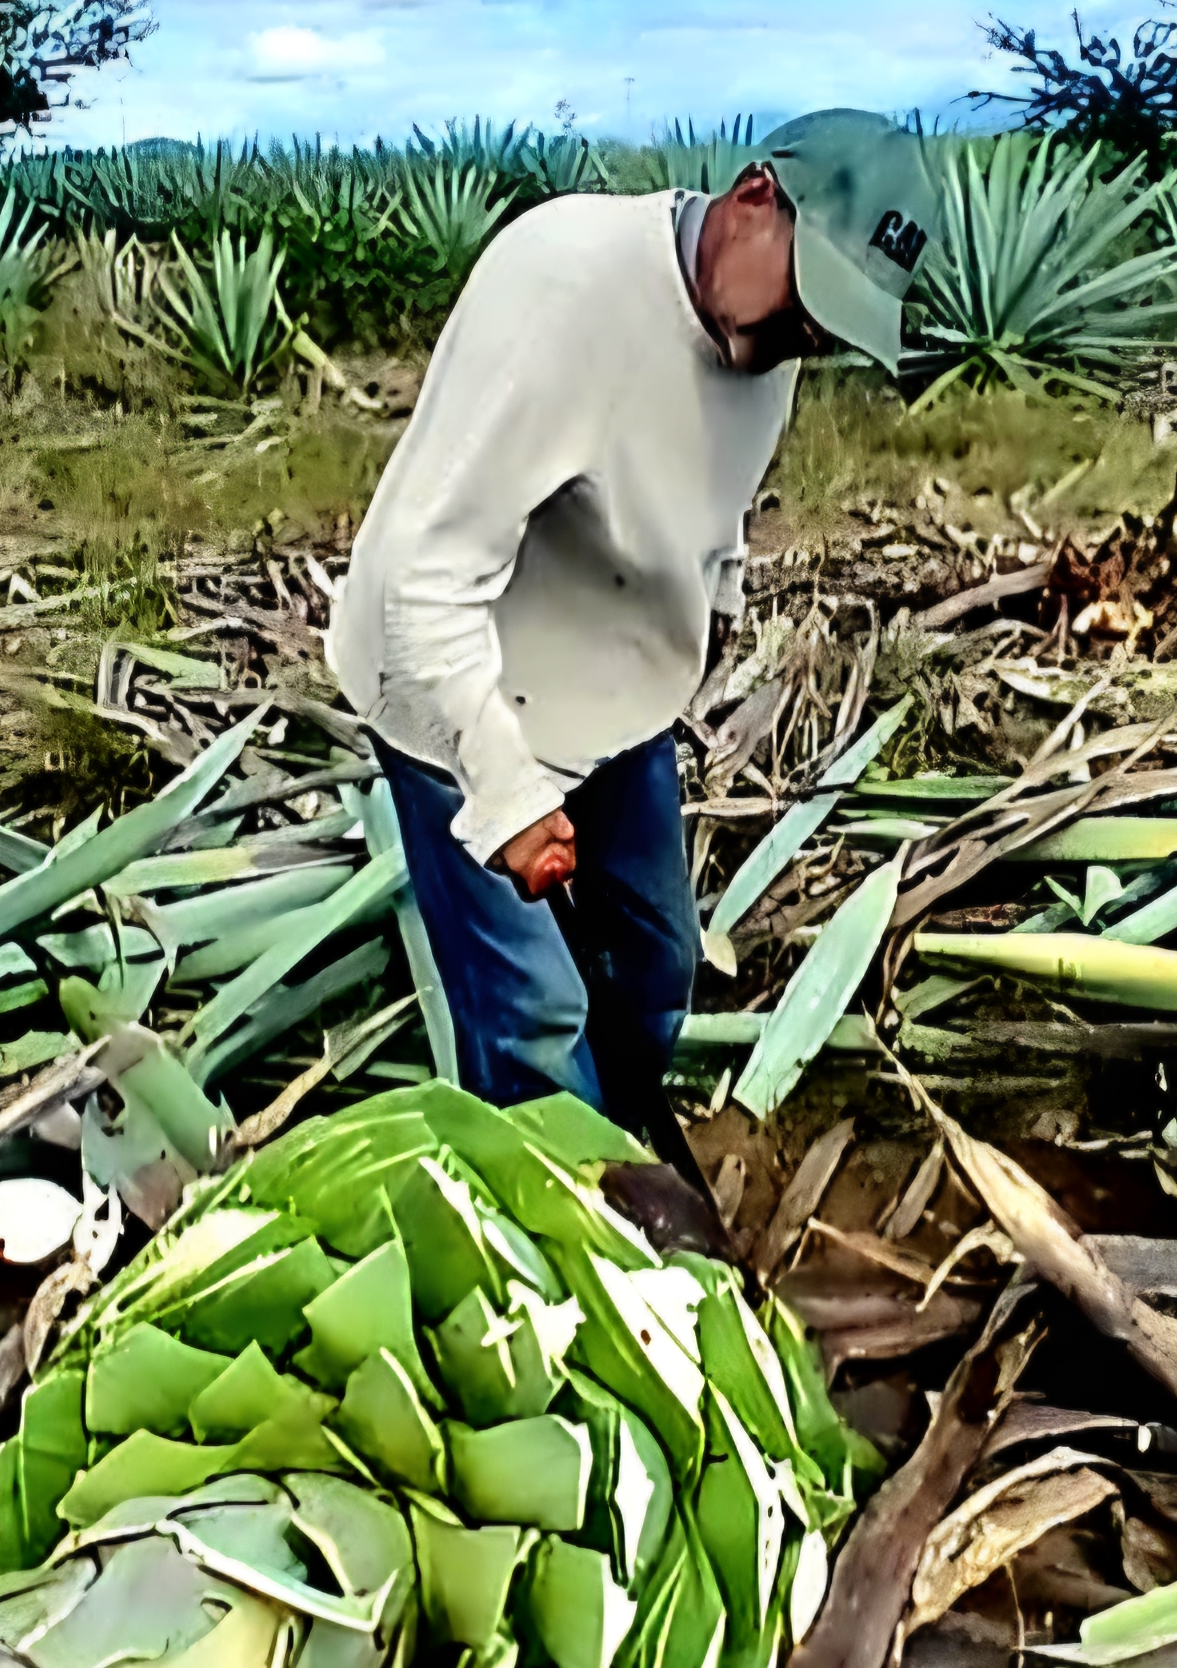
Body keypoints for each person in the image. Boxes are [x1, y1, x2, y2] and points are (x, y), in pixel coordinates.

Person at [328, 112, 935, 1146]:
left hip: (610, 691)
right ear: (754, 198)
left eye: (835, 323)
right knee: (534, 1019)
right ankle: (556, 1238)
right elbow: (422, 578)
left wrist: (715, 613)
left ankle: (619, 1148)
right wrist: (507, 790)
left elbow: (712, 504)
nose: (810, 337)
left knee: (654, 966)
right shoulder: (564, 292)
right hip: (454, 690)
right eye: (812, 296)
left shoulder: (766, 333)